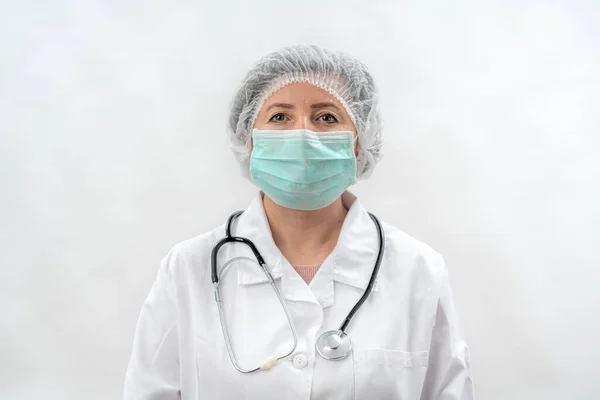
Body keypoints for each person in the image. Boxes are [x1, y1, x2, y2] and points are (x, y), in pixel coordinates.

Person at [124, 44, 475, 399]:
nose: (303, 134)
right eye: (279, 117)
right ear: (249, 139)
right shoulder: (187, 268)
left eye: (326, 117)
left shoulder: (418, 269)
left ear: (359, 142)